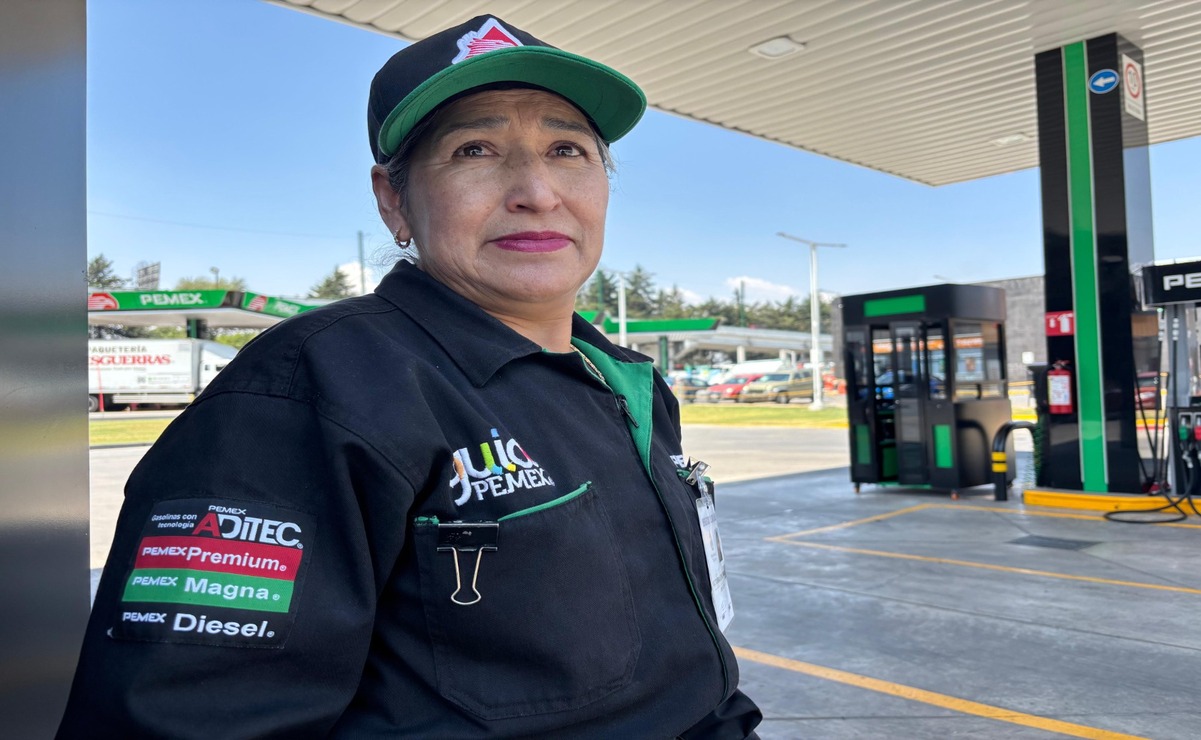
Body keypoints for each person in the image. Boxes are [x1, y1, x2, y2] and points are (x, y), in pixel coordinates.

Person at [58, 15, 761, 739]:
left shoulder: (621, 380)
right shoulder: (308, 393)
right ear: (393, 201)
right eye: (475, 150)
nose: (537, 191)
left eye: (566, 149)